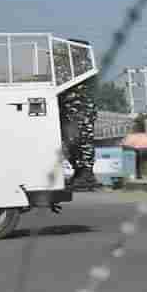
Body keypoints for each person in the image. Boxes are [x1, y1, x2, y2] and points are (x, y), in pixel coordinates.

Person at [56, 38, 101, 192]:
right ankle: (80, 172)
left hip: (80, 111)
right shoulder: (75, 65)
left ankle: (86, 174)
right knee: (72, 142)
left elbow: (63, 82)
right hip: (72, 110)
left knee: (83, 141)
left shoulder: (83, 66)